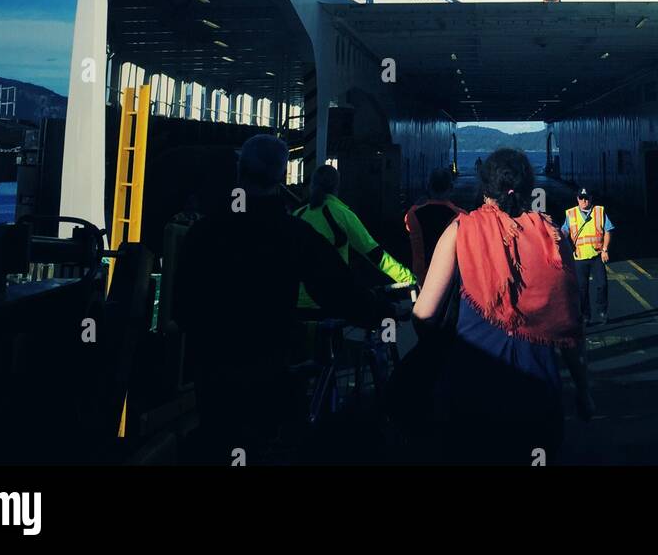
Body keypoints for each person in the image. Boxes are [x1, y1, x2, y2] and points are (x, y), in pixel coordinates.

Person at [172, 135, 392, 463]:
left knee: (218, 441)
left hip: (211, 373)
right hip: (267, 367)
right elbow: (338, 290)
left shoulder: (202, 233)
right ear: (280, 177)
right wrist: (378, 311)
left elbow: (182, 307)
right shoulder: (292, 234)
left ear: (240, 171)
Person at [411, 148, 592, 464]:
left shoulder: (459, 231)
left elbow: (424, 314)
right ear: (528, 187)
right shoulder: (552, 236)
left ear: (485, 187)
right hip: (538, 399)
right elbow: (570, 325)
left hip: (471, 392)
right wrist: (582, 390)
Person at [292, 164, 414, 300]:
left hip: (295, 302)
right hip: (331, 301)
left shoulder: (298, 214)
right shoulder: (342, 215)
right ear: (337, 186)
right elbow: (376, 255)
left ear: (311, 185)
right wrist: (409, 279)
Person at [561, 188, 614, 325]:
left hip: (597, 256)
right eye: (581, 198)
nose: (584, 200)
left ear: (591, 198)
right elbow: (564, 231)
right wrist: (560, 235)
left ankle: (602, 311)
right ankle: (585, 315)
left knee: (602, 285)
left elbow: (608, 230)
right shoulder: (571, 214)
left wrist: (605, 250)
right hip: (579, 257)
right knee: (582, 289)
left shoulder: (599, 212)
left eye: (586, 198)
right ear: (577, 199)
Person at [404, 167, 463, 285]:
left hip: (421, 276)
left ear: (429, 186)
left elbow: (408, 228)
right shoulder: (461, 216)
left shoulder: (412, 214)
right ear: (451, 188)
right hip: (449, 278)